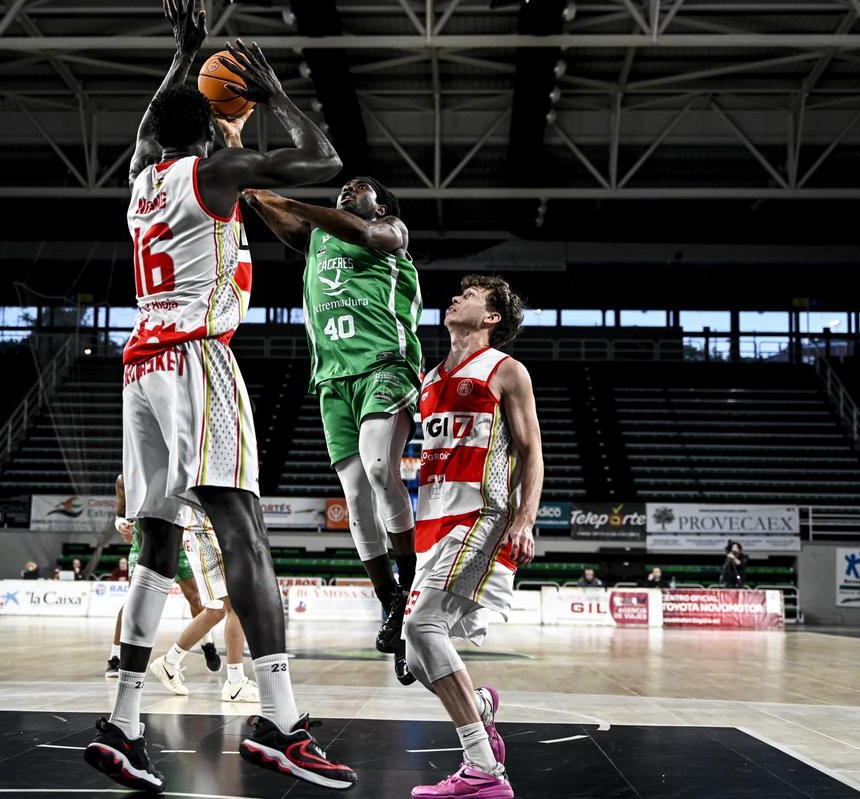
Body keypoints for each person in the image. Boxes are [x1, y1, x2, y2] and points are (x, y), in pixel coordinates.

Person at [83, 0, 353, 792]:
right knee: (245, 533)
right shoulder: (214, 170)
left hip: (141, 368)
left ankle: (124, 723)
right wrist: (272, 97)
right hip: (198, 356)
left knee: (158, 546)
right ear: (205, 131)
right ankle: (280, 721)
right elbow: (326, 160)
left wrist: (183, 54)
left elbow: (146, 129)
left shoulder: (140, 180)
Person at [243, 175, 421, 685]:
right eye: (343, 188)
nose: (348, 191)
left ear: (381, 202)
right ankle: (392, 605)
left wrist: (289, 200)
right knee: (354, 493)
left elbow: (361, 234)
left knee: (380, 464)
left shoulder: (391, 230)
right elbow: (292, 228)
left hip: (385, 363)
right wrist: (255, 198)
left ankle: (405, 594)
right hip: (332, 377)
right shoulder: (317, 237)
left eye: (361, 187)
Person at [402, 275, 542, 799]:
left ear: (492, 318)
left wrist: (525, 519)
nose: (456, 297)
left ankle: (483, 768)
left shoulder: (506, 370)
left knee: (422, 628)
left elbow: (532, 452)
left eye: (471, 295)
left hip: (481, 515)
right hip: (432, 523)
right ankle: (479, 706)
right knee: (416, 656)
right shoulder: (431, 375)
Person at [108, 474, 222, 681]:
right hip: (144, 545)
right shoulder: (125, 479)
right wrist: (122, 525)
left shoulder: (183, 473)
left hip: (179, 545)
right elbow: (120, 514)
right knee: (132, 604)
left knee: (196, 598)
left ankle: (207, 643)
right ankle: (115, 657)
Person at [147, 506, 260, 703]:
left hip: (208, 530)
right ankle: (235, 684)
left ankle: (168, 662)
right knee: (237, 605)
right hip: (206, 531)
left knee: (216, 611)